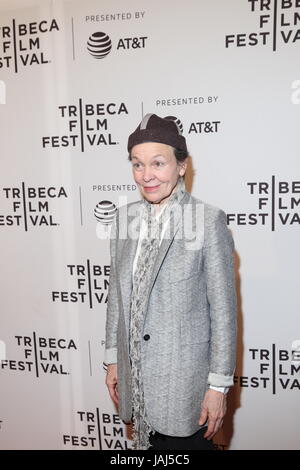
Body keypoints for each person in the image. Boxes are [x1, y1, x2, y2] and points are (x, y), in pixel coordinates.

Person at [104, 113, 237, 450]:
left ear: (181, 166)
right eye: (137, 164)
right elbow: (117, 297)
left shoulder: (207, 221)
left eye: (158, 163)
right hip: (136, 382)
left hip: (184, 388)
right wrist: (112, 359)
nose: (146, 175)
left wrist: (218, 388)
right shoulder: (124, 218)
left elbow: (223, 315)